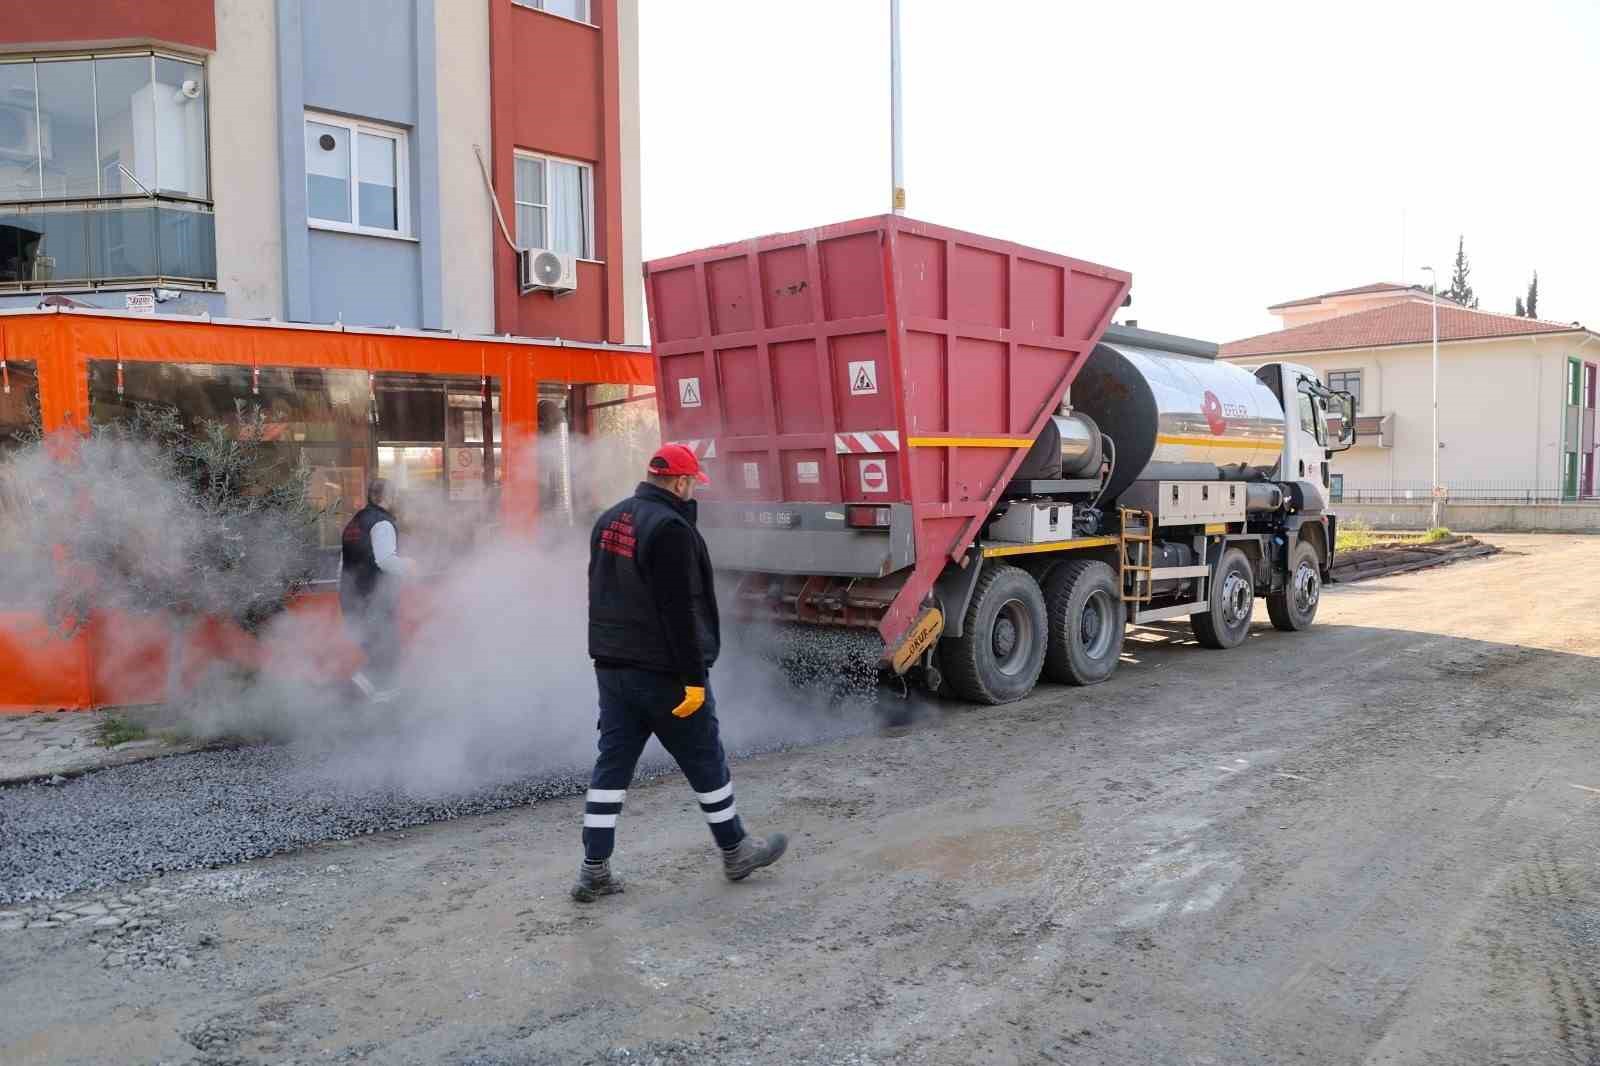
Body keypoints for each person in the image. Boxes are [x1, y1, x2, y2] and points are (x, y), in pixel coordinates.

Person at [576, 443, 787, 901]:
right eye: (693, 483)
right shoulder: (671, 529)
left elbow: (599, 591)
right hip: (665, 674)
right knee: (705, 760)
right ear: (679, 482)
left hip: (613, 669)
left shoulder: (609, 519)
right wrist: (693, 679)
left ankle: (593, 870)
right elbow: (680, 611)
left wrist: (603, 660)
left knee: (611, 767)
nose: (695, 491)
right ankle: (736, 851)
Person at [339, 478, 414, 701]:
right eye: (396, 495)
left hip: (354, 597)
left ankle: (377, 694)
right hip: (374, 599)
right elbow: (385, 560)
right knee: (385, 649)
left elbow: (342, 564)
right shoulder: (382, 523)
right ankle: (370, 696)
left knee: (378, 649)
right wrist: (409, 566)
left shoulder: (355, 521)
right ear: (387, 497)